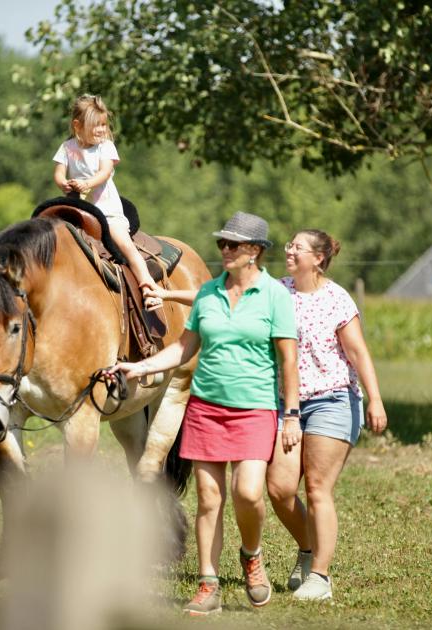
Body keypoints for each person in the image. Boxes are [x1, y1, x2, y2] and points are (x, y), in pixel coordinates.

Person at [108, 211, 300, 616]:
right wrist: (139, 367)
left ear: (256, 251)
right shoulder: (209, 293)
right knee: (209, 499)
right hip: (206, 408)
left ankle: (251, 556)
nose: (225, 250)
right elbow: (184, 348)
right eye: (222, 244)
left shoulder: (274, 296)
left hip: (254, 407)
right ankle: (207, 584)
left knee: (248, 492)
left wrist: (292, 414)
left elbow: (289, 361)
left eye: (233, 244)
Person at [266, 229, 388, 601]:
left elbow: (358, 353)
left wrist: (375, 399)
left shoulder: (337, 299)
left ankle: (320, 576)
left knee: (318, 488)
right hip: (287, 405)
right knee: (279, 488)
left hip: (332, 400)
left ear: (318, 258)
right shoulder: (276, 291)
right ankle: (307, 549)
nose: (289, 250)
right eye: (289, 245)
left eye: (297, 247)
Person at [53, 94, 161, 310]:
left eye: (104, 124)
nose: (102, 130)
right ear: (78, 125)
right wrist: (64, 183)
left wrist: (87, 184)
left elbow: (105, 172)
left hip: (106, 209)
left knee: (124, 243)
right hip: (79, 209)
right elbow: (58, 173)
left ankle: (149, 288)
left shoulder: (106, 147)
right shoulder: (67, 148)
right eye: (96, 125)